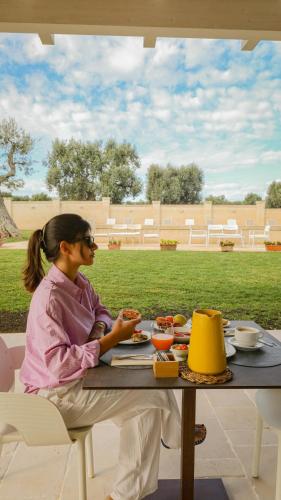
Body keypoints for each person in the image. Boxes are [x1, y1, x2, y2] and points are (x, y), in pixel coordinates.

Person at [20, 213, 183, 500]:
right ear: (66, 248)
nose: (95, 246)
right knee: (153, 393)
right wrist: (109, 340)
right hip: (54, 400)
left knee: (146, 402)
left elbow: (102, 311)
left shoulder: (79, 282)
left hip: (79, 382)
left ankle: (125, 492)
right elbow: (58, 366)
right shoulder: (49, 299)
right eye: (88, 240)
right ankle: (179, 436)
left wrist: (98, 333)